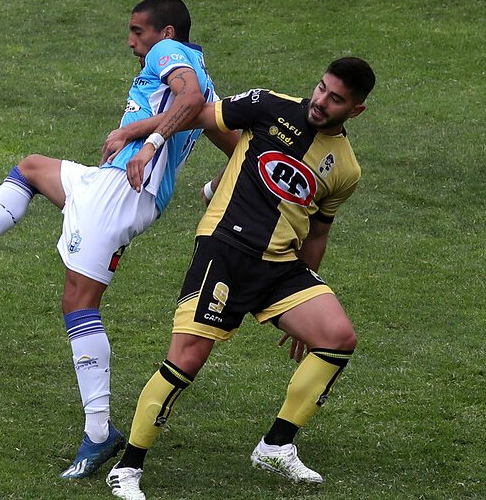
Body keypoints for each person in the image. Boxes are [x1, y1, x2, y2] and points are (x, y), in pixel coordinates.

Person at [0, 0, 238, 479]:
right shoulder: (202, 77)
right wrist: (218, 182)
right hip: (113, 185)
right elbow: (222, 131)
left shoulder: (169, 57)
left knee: (79, 305)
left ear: (165, 34)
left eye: (138, 32)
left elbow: (185, 103)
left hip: (123, 191)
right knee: (32, 169)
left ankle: (100, 434)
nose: (131, 42)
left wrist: (142, 144)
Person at [106, 57, 376, 500]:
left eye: (336, 99)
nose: (322, 101)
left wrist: (307, 294)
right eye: (322, 89)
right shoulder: (267, 105)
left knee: (337, 337)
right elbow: (197, 113)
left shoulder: (345, 168)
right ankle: (128, 468)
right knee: (187, 359)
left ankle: (276, 445)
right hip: (226, 252)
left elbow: (319, 232)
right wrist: (147, 140)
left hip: (282, 266)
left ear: (356, 111)